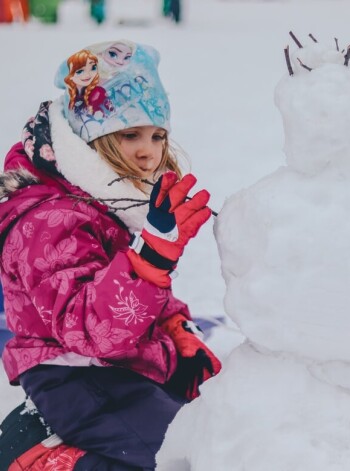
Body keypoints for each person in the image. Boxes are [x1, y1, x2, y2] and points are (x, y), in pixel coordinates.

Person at [0, 39, 221, 470]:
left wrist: (176, 327)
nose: (148, 151)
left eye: (158, 135)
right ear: (91, 137)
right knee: (184, 458)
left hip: (124, 365)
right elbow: (88, 330)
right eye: (130, 134)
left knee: (217, 425)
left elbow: (131, 291)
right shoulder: (48, 220)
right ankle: (42, 460)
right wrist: (151, 260)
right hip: (76, 376)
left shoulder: (108, 201)